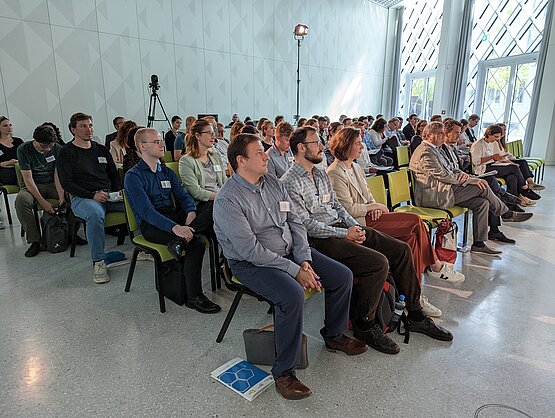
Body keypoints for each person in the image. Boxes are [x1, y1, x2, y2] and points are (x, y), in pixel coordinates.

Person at [213, 133, 367, 400]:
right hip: (251, 264)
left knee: (342, 275)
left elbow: (295, 222)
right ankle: (284, 372)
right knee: (292, 294)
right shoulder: (228, 200)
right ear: (241, 161)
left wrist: (304, 259)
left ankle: (334, 335)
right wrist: (294, 270)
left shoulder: (272, 182)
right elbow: (249, 250)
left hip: (290, 252)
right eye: (259, 152)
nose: (266, 155)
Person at [282, 126, 454, 354]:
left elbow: (337, 206)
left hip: (343, 227)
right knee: (378, 263)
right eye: (316, 143)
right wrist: (346, 233)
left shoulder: (320, 173)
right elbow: (305, 224)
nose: (321, 146)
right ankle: (365, 324)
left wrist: (353, 225)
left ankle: (414, 314)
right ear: (301, 148)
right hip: (320, 239)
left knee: (401, 250)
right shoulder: (289, 181)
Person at [327, 126, 465, 306]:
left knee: (412, 240)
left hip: (371, 215)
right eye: (358, 144)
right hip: (360, 223)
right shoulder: (335, 172)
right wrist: (374, 206)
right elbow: (348, 210)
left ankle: (412, 296)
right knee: (416, 221)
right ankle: (435, 266)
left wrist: (373, 205)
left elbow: (368, 196)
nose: (362, 147)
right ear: (346, 146)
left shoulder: (355, 167)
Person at [125, 128, 220, 314]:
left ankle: (181, 241)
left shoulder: (166, 171)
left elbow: (183, 196)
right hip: (152, 224)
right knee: (197, 242)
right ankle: (194, 297)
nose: (162, 145)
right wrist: (175, 228)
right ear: (143, 146)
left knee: (215, 206)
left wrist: (191, 212)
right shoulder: (133, 176)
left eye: (161, 141)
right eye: (157, 142)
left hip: (173, 216)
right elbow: (146, 212)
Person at [410, 122, 531, 256]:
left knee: (482, 203)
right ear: (428, 135)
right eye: (439, 133)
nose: (443, 136)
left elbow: (451, 168)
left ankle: (479, 244)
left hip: (444, 189)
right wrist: (469, 179)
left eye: (442, 133)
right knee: (482, 186)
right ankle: (506, 213)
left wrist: (464, 174)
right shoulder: (425, 152)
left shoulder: (436, 149)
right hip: (433, 195)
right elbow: (442, 175)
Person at [58, 112, 127, 283]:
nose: (88, 129)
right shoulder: (67, 152)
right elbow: (67, 183)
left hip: (108, 194)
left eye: (90, 125)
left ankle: (144, 249)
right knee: (95, 215)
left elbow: (113, 173)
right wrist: (92, 195)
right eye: (83, 126)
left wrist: (120, 191)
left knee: (136, 206)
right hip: (84, 197)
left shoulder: (100, 149)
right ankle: (98, 261)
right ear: (73, 129)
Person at [441, 119, 524, 244]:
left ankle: (481, 242)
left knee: (485, 200)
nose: (460, 135)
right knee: (485, 185)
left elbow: (456, 170)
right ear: (446, 134)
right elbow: (447, 174)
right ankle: (506, 209)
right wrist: (468, 178)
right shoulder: (437, 150)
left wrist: (466, 176)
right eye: (458, 133)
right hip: (450, 189)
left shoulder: (451, 148)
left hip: (460, 181)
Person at [16, 125, 65, 257]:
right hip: (33, 185)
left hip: (53, 184)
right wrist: (42, 202)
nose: (48, 149)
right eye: (44, 146)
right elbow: (28, 178)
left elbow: (57, 174)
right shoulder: (24, 149)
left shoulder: (57, 149)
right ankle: (35, 241)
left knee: (71, 196)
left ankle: (69, 233)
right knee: (22, 200)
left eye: (50, 146)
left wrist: (61, 196)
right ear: (35, 140)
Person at [470, 124, 541, 204]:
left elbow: (495, 156)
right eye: (496, 136)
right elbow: (475, 161)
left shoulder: (491, 143)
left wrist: (498, 158)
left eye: (498, 137)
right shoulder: (478, 144)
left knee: (512, 177)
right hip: (483, 169)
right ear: (489, 134)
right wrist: (492, 157)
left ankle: (513, 203)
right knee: (513, 168)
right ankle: (524, 189)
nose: (497, 139)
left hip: (492, 164)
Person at [178, 119, 226, 234]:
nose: (213, 136)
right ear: (198, 136)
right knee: (216, 207)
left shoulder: (215, 157)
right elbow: (196, 192)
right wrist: (221, 196)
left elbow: (225, 182)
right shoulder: (186, 161)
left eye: (213, 133)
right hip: (200, 204)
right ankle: (187, 235)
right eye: (209, 133)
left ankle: (185, 237)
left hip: (220, 200)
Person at [0, 116, 24, 186]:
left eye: (10, 125)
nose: (9, 127)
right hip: (6, 171)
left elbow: (28, 156)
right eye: (5, 126)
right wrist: (6, 163)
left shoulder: (18, 141)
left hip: (21, 168)